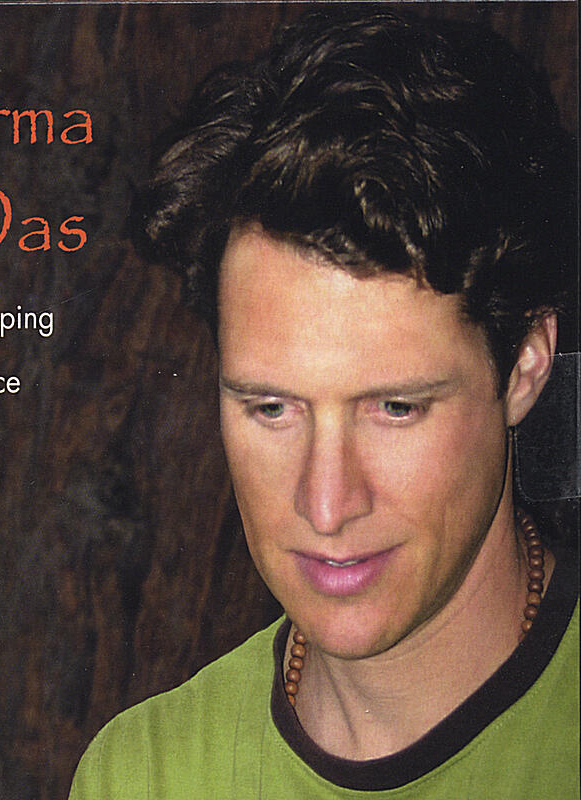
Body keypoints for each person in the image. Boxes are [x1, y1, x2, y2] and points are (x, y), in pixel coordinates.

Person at [70, 10, 578, 798]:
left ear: (525, 368)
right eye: (272, 408)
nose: (326, 504)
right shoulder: (144, 775)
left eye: (396, 409)